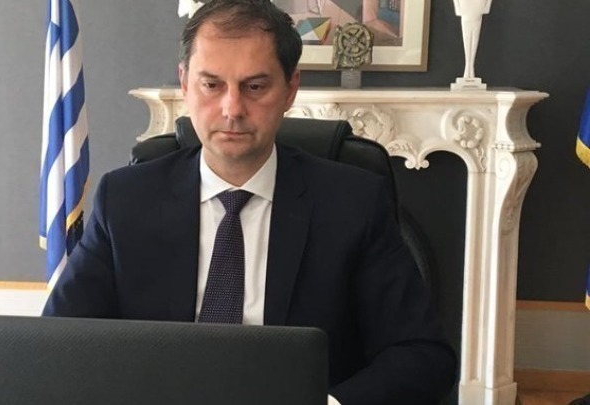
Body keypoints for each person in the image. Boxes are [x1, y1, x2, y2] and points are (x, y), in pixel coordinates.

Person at [43, 0, 456, 403]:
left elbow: (422, 356)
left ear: (290, 89)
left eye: (255, 86)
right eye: (211, 85)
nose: (232, 108)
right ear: (185, 83)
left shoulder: (353, 203)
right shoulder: (125, 201)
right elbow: (57, 343)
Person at [453, 0, 493, 79]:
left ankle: (470, 67)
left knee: (474, 38)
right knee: (467, 38)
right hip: (466, 7)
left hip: (477, 7)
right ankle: (468, 67)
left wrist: (486, 7)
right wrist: (458, 8)